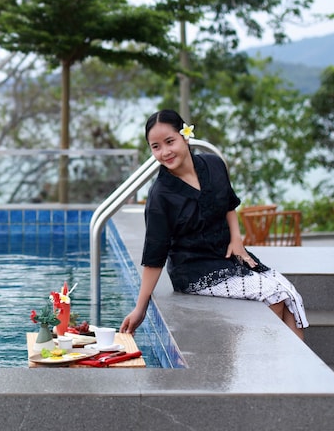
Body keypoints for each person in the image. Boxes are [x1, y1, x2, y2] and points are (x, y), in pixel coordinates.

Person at [120, 109, 308, 340]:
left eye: (170, 141)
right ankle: (264, 357)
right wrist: (140, 308)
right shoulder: (160, 195)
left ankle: (293, 364)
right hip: (194, 271)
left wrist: (236, 240)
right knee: (274, 296)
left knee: (289, 294)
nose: (165, 152)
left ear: (185, 136)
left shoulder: (213, 164)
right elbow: (154, 255)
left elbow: (229, 203)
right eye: (156, 147)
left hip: (227, 257)